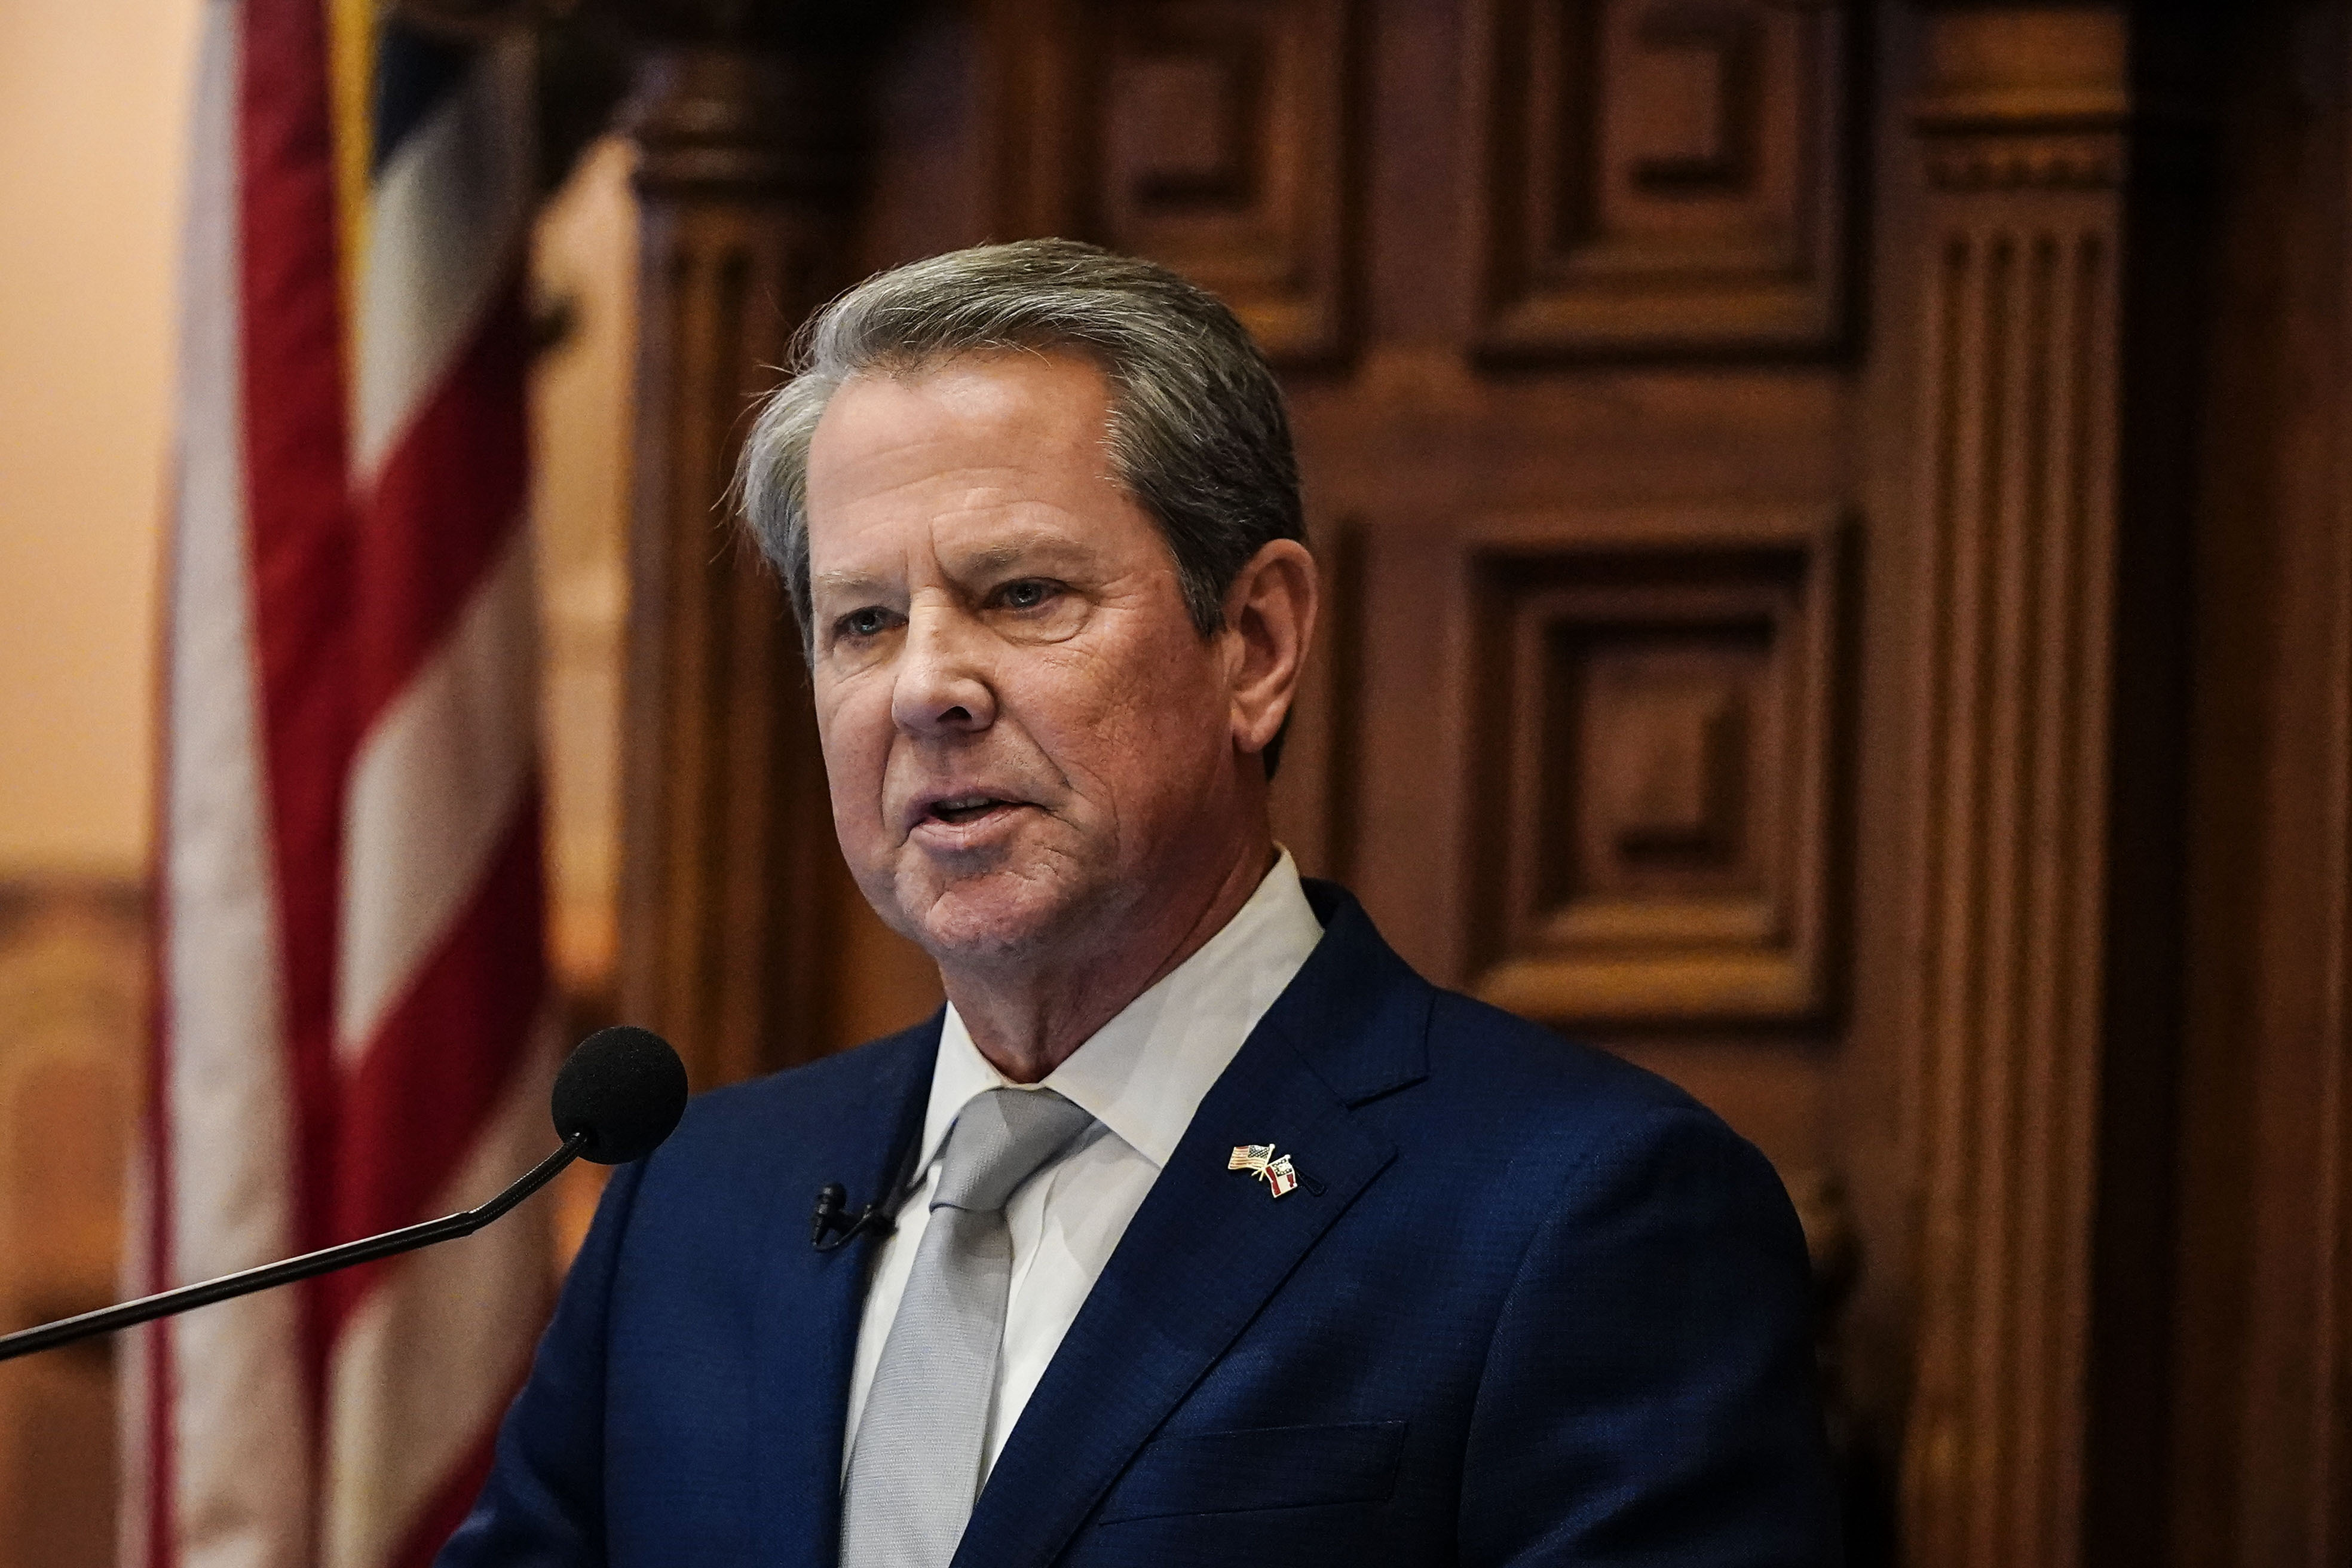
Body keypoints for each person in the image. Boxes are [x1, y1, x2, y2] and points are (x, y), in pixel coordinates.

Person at [439, 239, 1839, 1567]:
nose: (927, 686)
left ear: (1259, 644)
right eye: (863, 621)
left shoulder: (1578, 1212)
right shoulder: (693, 1204)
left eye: (1023, 592)